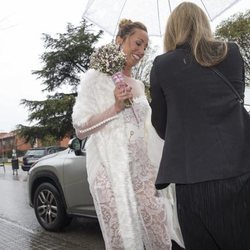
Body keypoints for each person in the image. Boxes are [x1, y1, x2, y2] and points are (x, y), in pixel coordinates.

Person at [150, 2, 250, 250]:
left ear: (173, 30)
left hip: (190, 179)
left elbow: (161, 126)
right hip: (237, 172)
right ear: (204, 23)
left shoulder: (161, 65)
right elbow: (235, 99)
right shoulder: (233, 52)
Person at [72, 19, 172, 250]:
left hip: (143, 171)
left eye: (145, 47)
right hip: (110, 171)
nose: (141, 51)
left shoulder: (137, 84)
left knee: (159, 230)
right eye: (138, 43)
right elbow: (81, 129)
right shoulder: (94, 78)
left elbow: (146, 126)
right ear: (120, 40)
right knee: (124, 240)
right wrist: (115, 107)